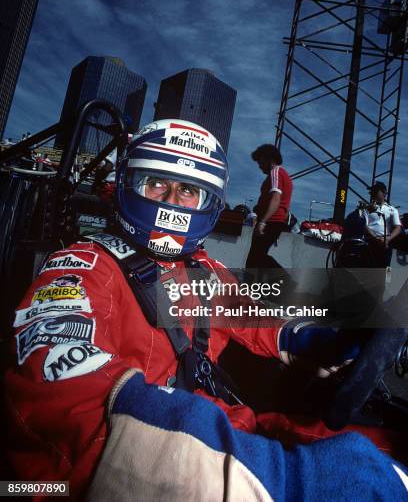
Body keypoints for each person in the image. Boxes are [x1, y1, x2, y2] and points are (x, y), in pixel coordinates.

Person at [3, 120, 405, 500]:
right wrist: (288, 485)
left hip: (208, 428)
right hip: (86, 475)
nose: (172, 201)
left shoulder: (202, 270)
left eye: (188, 191)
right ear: (130, 182)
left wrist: (318, 339)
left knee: (385, 445)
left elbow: (255, 318)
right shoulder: (82, 268)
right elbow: (76, 406)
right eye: (157, 183)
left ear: (207, 200)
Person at [246, 144, 292, 270]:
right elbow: (285, 207)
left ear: (269, 159)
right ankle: (257, 286)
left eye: (260, 162)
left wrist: (262, 222)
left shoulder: (276, 172)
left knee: (256, 258)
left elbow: (276, 197)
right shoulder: (284, 175)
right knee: (256, 258)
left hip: (270, 222)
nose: (259, 166)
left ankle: (286, 280)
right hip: (275, 222)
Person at [364, 182, 402, 267]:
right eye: (372, 191)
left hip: (386, 243)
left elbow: (398, 227)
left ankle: (383, 280)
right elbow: (364, 225)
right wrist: (376, 238)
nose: (373, 193)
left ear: (384, 192)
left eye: (376, 191)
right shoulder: (367, 209)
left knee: (384, 270)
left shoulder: (392, 210)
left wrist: (388, 239)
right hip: (370, 242)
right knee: (368, 269)